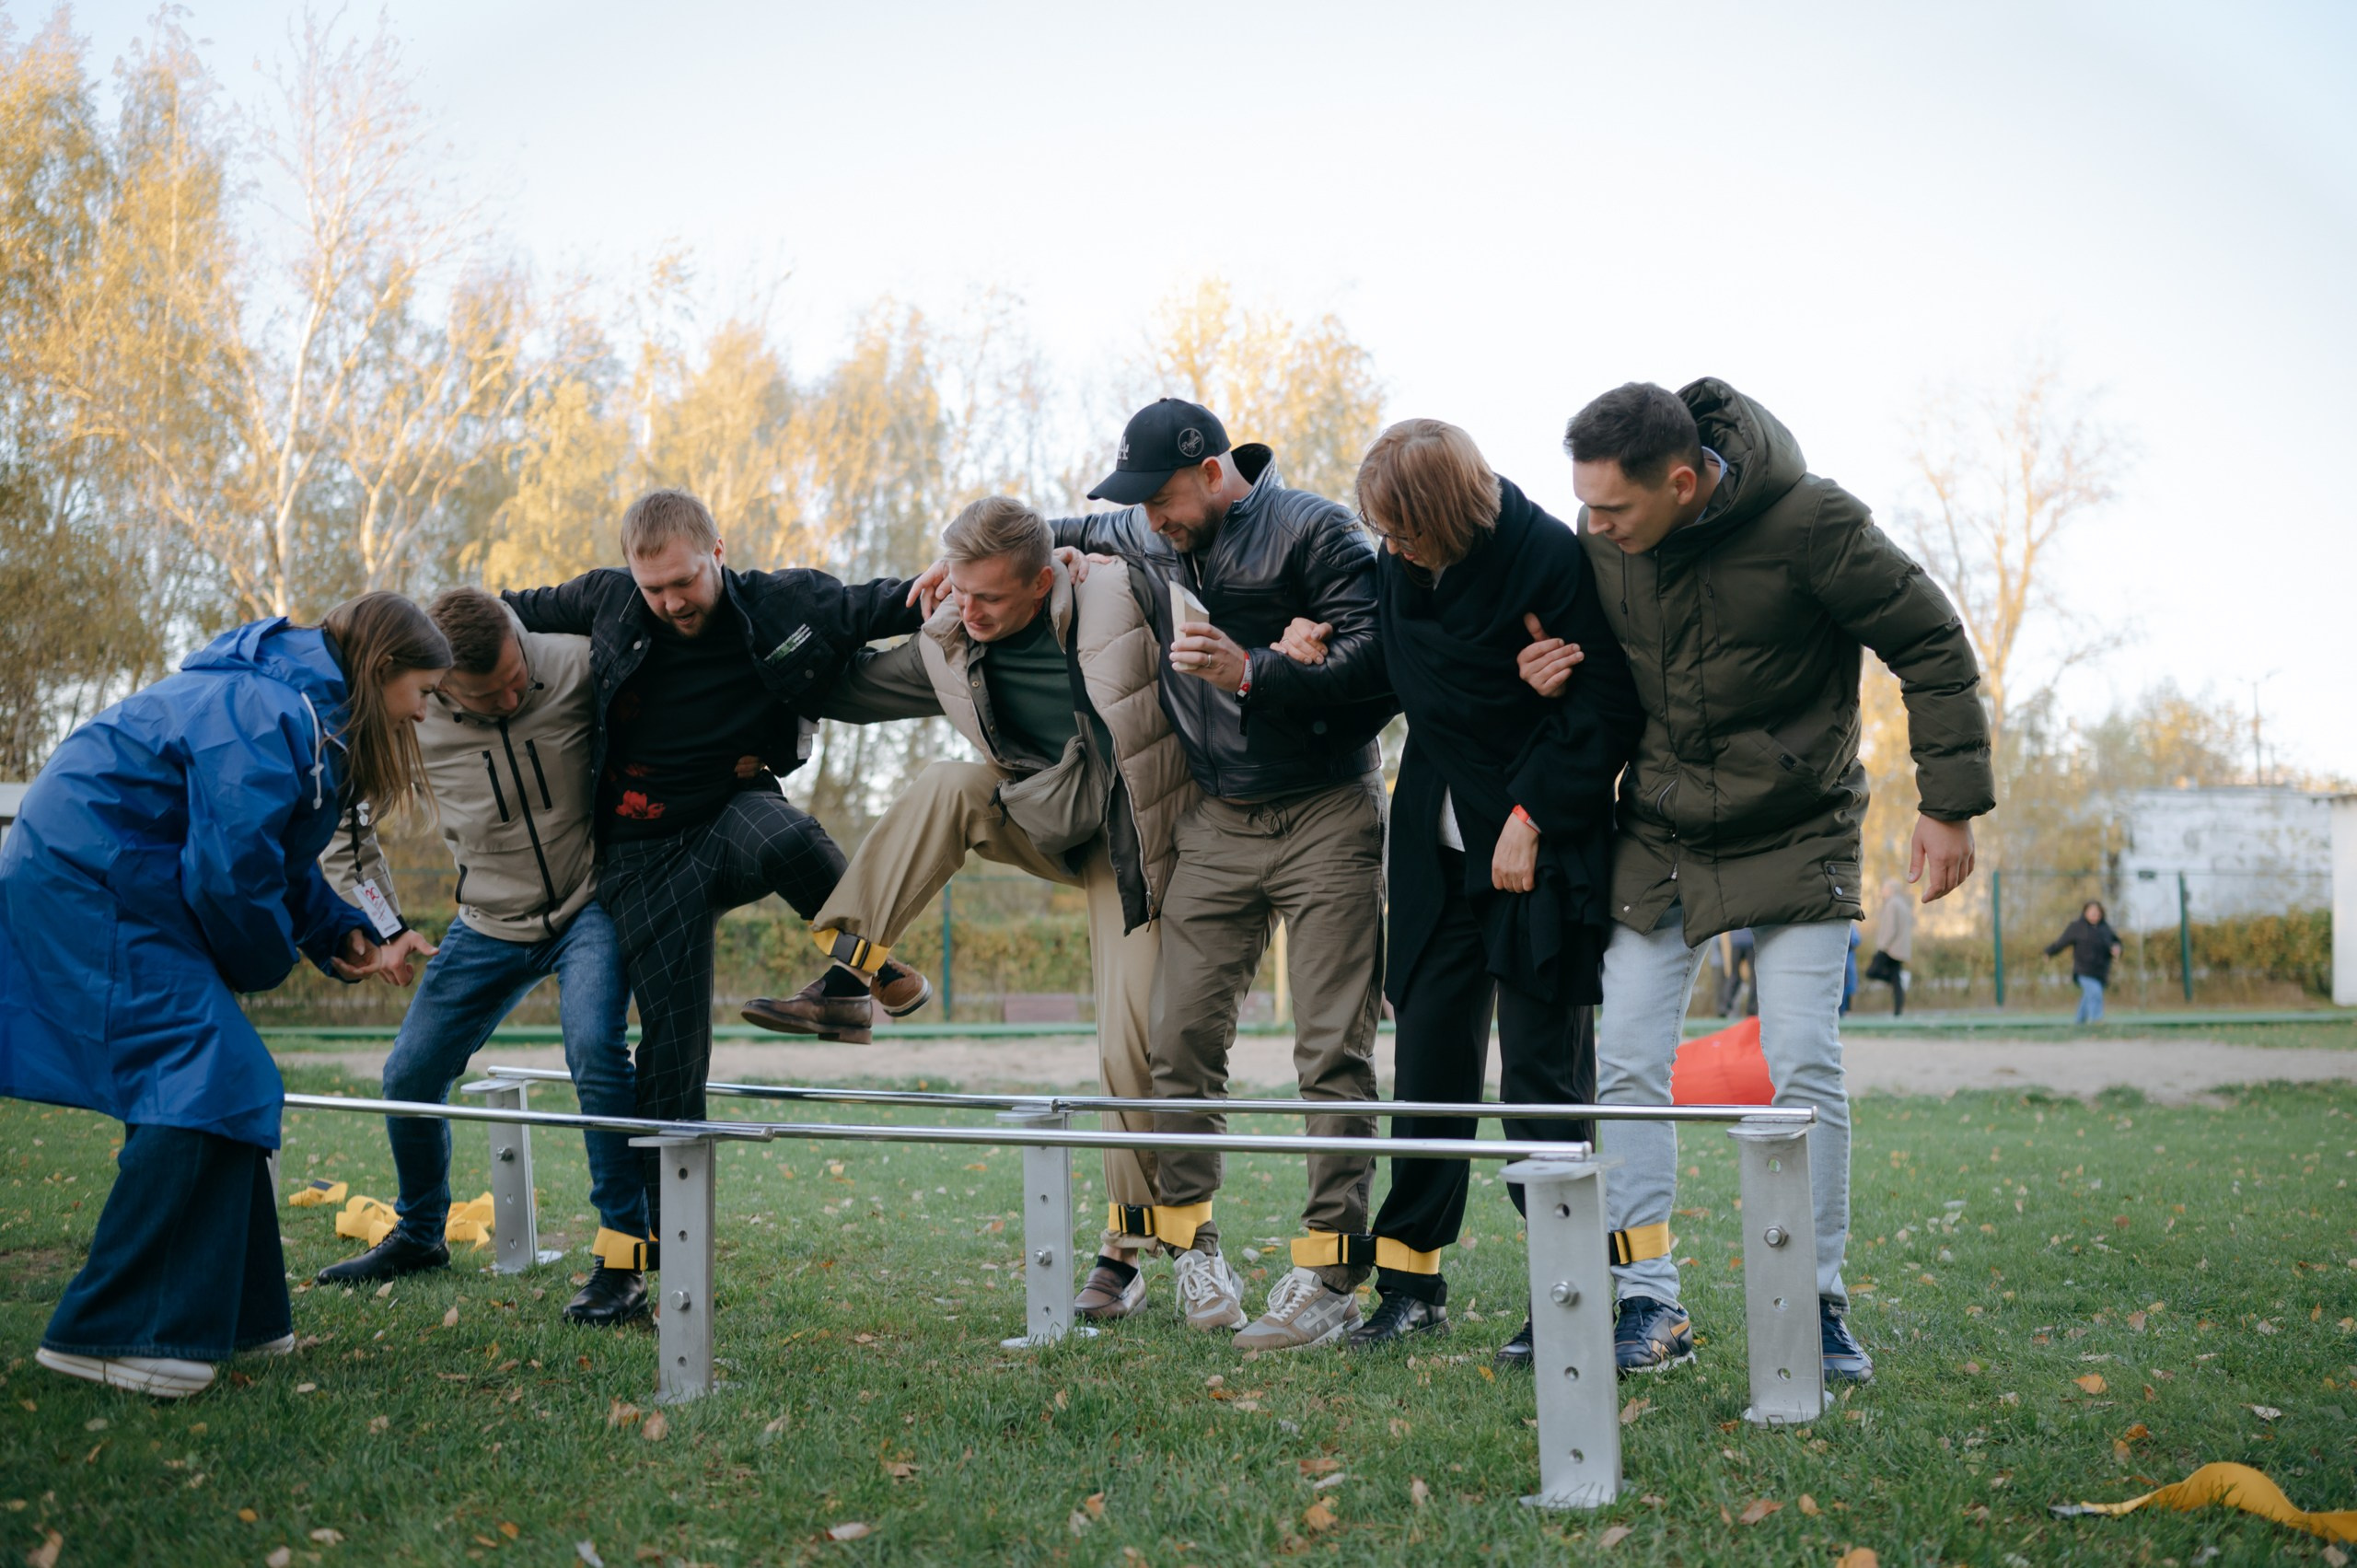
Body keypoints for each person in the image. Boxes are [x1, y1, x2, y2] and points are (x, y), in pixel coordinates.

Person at [1524, 379, 1992, 1385]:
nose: (1593, 526)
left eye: (1611, 509)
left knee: (1799, 1064)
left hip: (1794, 825)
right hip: (1659, 831)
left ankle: (1813, 1302)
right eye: (1587, 507)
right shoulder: (1605, 537)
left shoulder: (1812, 521)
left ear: (1683, 481)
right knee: (1629, 1059)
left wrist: (1947, 803)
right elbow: (1596, 663)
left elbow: (1931, 641)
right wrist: (1547, 667)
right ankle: (1649, 1301)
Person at [913, 399, 1394, 1349]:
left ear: (1214, 472)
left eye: (1165, 499)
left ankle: (1330, 1274)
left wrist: (1255, 670)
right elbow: (1045, 532)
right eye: (1138, 505)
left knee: (1330, 1049)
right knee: (1176, 1042)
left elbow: (1382, 665)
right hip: (1218, 816)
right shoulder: (1144, 527)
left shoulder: (1317, 530)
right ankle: (1192, 1244)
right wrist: (964, 566)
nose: (1151, 520)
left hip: (1327, 809)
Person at [745, 496, 1191, 1321]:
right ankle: (852, 973)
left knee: (1130, 1040)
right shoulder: (950, 637)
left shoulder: (1117, 600)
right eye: (958, 588)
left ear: (1041, 578)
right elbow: (845, 689)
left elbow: (1187, 575)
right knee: (948, 783)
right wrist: (764, 627)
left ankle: (1124, 1252)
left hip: (1135, 843)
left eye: (987, 596)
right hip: (1044, 818)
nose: (969, 610)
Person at [0, 595, 447, 1398]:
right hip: (89, 875)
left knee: (231, 1075)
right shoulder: (269, 707)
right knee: (210, 1068)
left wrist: (345, 935)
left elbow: (273, 855)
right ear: (381, 672)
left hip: (120, 873)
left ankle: (242, 1314)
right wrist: (271, 960)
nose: (423, 713)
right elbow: (230, 874)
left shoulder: (302, 709)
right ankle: (109, 1331)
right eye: (422, 692)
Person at [1278, 419, 1643, 1361]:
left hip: (1535, 850)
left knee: (1542, 1081)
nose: (1390, 549)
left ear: (1446, 512)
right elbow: (1399, 681)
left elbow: (1607, 706)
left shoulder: (1547, 560)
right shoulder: (1406, 570)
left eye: (1403, 529)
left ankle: (1567, 1287)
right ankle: (1410, 1284)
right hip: (1433, 854)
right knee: (1430, 1073)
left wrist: (1531, 813)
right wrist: (1298, 663)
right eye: (1382, 532)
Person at [502, 490, 934, 1232]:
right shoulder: (607, 599)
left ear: (718, 554)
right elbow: (506, 611)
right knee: (672, 1058)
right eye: (654, 588)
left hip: (730, 813)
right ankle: (658, 1251)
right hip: (640, 860)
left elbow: (890, 602)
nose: (670, 602)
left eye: (684, 582)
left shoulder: (779, 604)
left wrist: (962, 581)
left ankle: (859, 975)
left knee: (791, 838)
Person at [312, 588, 651, 1325]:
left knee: (595, 1048)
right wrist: (389, 925)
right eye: (488, 691)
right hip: (487, 920)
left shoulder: (573, 664)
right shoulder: (413, 716)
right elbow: (346, 827)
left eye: (515, 674)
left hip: (588, 904)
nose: (512, 691)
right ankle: (420, 1232)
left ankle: (623, 1261)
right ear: (440, 685)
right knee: (409, 1071)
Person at [2046, 900, 2122, 1023]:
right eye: (2091, 912)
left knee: (2088, 997)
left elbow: (2116, 943)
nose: (2095, 915)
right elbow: (2061, 942)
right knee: (2095, 992)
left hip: (2101, 970)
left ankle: (2079, 1023)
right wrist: (2049, 952)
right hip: (2083, 970)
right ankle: (2096, 1020)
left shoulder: (2105, 928)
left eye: (2097, 912)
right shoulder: (2077, 927)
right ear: (2085, 912)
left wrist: (2117, 949)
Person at [1865, 877, 1914, 1015]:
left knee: (1871, 972)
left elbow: (1890, 929)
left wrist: (1882, 946)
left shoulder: (1892, 904)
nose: (1882, 891)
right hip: (1900, 949)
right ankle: (1898, 1011)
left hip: (1890, 948)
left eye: (1884, 888)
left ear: (1891, 890)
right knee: (1896, 979)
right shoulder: (1903, 904)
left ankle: (1896, 983)